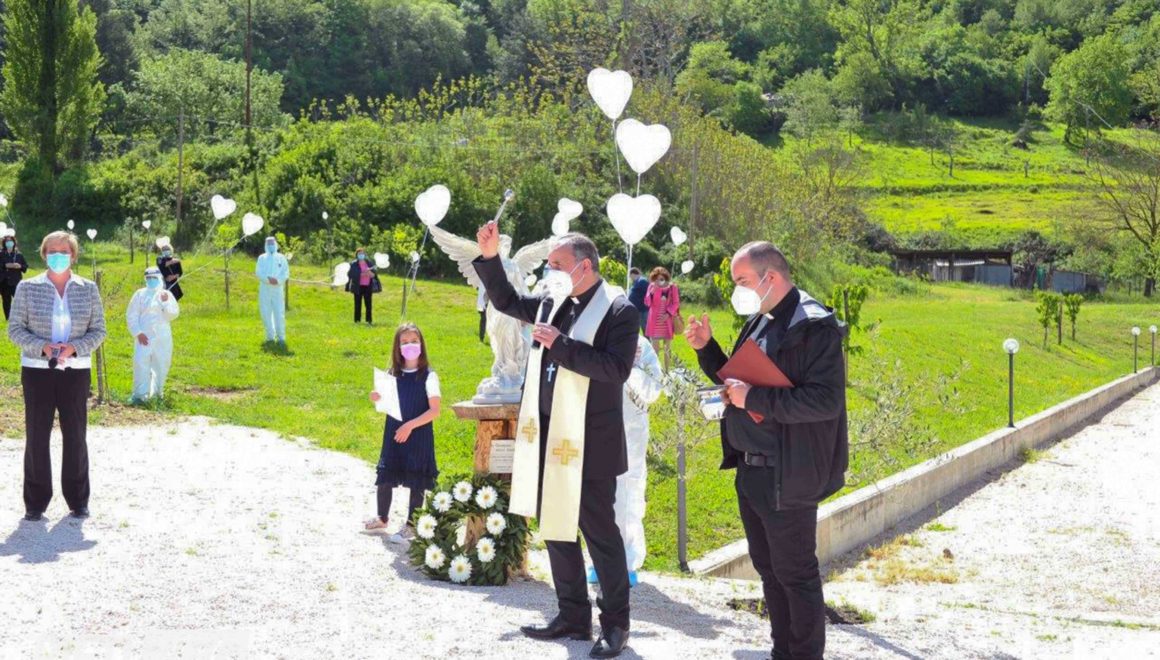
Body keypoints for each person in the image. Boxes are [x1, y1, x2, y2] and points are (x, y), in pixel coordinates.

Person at [474, 223, 638, 659]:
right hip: (547, 435)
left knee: (600, 535)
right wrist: (490, 257)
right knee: (556, 528)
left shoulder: (618, 310)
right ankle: (572, 615)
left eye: (557, 264)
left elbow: (616, 369)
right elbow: (508, 302)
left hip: (592, 443)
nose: (550, 271)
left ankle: (616, 624)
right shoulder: (553, 301)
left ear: (584, 266)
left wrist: (561, 345)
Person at [684, 241, 848, 660]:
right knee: (770, 572)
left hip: (788, 474)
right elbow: (738, 381)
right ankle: (782, 651)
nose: (736, 289)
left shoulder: (814, 326)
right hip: (751, 471)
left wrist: (753, 398)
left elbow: (825, 401)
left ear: (770, 277)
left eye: (742, 280)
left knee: (796, 574)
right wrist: (708, 349)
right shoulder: (761, 318)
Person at [7, 231, 107, 522]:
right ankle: (35, 502)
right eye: (52, 251)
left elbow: (99, 330)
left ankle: (78, 499)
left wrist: (75, 347)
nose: (58, 255)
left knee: (75, 435)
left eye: (64, 251)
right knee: (36, 435)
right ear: (44, 254)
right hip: (37, 371)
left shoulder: (88, 289)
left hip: (76, 371)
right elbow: (15, 329)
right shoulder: (27, 287)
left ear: (73, 255)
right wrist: (43, 347)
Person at [588, 335, 663, 588]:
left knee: (629, 493)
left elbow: (653, 390)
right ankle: (597, 559)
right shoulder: (594, 336)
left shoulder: (641, 346)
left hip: (630, 432)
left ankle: (627, 561)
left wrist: (630, 367)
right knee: (595, 494)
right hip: (596, 428)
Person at [366, 323, 441, 544]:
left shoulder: (429, 376)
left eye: (414, 341)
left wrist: (410, 426)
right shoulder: (392, 375)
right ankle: (382, 518)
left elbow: (434, 410)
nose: (410, 345)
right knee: (386, 473)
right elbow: (387, 403)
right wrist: (376, 398)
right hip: (394, 432)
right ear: (398, 347)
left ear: (422, 344)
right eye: (405, 342)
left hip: (418, 434)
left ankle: (411, 525)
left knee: (417, 480)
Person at [126, 267, 180, 402]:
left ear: (159, 279)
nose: (151, 281)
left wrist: (165, 303)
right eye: (148, 278)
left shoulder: (166, 294)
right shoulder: (140, 294)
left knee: (161, 364)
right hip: (143, 337)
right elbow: (132, 315)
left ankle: (157, 394)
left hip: (162, 337)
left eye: (154, 278)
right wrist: (138, 333)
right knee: (140, 363)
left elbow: (172, 315)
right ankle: (140, 395)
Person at [644, 266, 680, 371]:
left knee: (667, 348)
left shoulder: (672, 287)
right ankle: (656, 371)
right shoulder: (651, 287)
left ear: (666, 278)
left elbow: (676, 303)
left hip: (666, 322)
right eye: (656, 279)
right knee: (655, 349)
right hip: (654, 323)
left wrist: (668, 314)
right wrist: (652, 291)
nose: (659, 281)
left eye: (661, 278)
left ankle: (667, 371)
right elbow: (647, 303)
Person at [255, 236, 289, 344]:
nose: (271, 245)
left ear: (276, 244)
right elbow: (258, 272)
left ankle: (281, 337)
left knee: (279, 312)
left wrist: (278, 281)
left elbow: (286, 272)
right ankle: (270, 336)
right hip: (265, 289)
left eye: (272, 243)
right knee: (265, 312)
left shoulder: (281, 258)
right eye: (268, 243)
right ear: (266, 245)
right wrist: (268, 280)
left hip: (277, 289)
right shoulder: (261, 258)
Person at [345, 248, 381, 324]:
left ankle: (369, 321)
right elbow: (352, 275)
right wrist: (363, 274)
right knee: (357, 305)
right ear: (357, 255)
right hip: (358, 287)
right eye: (359, 254)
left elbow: (374, 275)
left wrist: (370, 273)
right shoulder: (354, 264)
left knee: (368, 305)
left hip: (368, 286)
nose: (361, 255)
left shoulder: (369, 263)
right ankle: (357, 321)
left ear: (364, 254)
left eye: (362, 253)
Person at [1, 235, 29, 320]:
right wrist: (5, 265)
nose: (9, 243)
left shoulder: (19, 255)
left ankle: (21, 318)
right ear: (4, 243)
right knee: (6, 301)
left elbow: (25, 266)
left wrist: (20, 266)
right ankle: (8, 318)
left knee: (20, 301)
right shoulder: (1, 254)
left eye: (11, 241)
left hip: (16, 281)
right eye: (7, 241)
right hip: (4, 282)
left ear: (14, 242)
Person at [626, 267, 648, 333]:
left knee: (644, 327)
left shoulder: (642, 281)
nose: (630, 278)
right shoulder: (636, 282)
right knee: (636, 327)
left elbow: (647, 294)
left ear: (633, 274)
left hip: (642, 310)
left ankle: (648, 339)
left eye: (630, 276)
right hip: (637, 310)